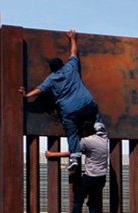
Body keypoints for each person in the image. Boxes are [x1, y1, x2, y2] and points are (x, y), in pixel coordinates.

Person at [20, 29, 106, 175]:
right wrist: (72, 38)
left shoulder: (51, 79)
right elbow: (73, 52)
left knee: (72, 132)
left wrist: (26, 95)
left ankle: (74, 157)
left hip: (69, 110)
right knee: (94, 110)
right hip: (86, 103)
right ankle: (99, 128)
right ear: (62, 64)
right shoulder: (71, 67)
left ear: (52, 69)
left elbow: (39, 90)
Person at [45, 121, 108, 213]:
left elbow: (73, 152)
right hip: (101, 178)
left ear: (84, 132)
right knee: (93, 204)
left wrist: (53, 154)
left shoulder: (86, 141)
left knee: (78, 201)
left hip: (90, 177)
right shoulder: (104, 139)